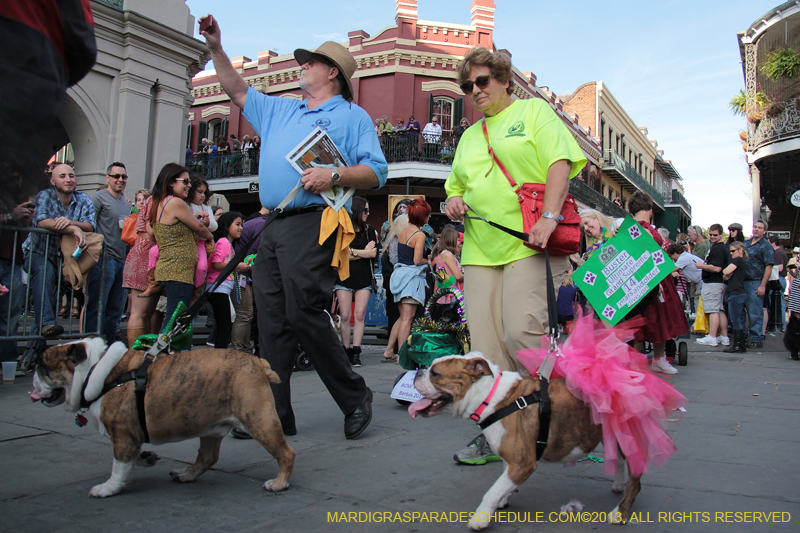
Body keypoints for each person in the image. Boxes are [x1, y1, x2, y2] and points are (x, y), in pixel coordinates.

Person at [200, 15, 387, 439]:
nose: (300, 66)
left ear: (332, 71)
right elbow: (235, 88)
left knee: (302, 310)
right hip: (274, 223)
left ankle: (355, 395)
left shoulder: (353, 116)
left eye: (309, 62)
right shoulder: (282, 108)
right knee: (270, 318)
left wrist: (333, 176)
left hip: (314, 220)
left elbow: (377, 172)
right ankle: (275, 413)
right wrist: (215, 47)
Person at [444, 47, 586, 465]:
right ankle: (496, 433)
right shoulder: (470, 136)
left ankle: (565, 417)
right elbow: (455, 186)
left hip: (528, 243)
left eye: (483, 81)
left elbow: (560, 163)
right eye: (468, 86)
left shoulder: (535, 113)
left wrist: (549, 216)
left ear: (506, 80)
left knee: (523, 335)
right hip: (480, 249)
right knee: (486, 353)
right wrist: (453, 202)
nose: (475, 91)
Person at [23, 163, 95, 337]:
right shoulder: (45, 196)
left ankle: (33, 354)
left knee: (47, 301)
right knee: (43, 272)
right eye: (62, 176)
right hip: (38, 252)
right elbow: (41, 221)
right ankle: (48, 322)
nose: (68, 180)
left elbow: (90, 225)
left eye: (71, 175)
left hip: (66, 259)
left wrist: (69, 223)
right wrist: (73, 229)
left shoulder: (83, 198)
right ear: (52, 181)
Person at [626, 191, 688, 373]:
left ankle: (639, 362)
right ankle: (655, 360)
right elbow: (642, 255)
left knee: (643, 320)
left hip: (653, 276)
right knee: (656, 318)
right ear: (649, 208)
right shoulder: (641, 227)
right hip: (653, 277)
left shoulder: (631, 227)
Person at [148, 163, 213, 332]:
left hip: (171, 268)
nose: (189, 185)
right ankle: (161, 354)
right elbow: (198, 228)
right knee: (175, 318)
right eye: (185, 181)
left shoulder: (160, 202)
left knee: (175, 317)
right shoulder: (175, 202)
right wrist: (210, 236)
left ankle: (168, 353)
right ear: (171, 182)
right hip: (178, 270)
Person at [84, 163, 131, 345]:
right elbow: (88, 225)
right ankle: (89, 348)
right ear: (107, 178)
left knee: (115, 310)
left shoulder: (125, 204)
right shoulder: (97, 198)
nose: (120, 180)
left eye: (124, 177)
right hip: (103, 259)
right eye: (116, 176)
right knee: (97, 307)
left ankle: (109, 348)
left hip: (121, 259)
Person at [384, 199, 430, 362]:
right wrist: (429, 260)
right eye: (428, 215)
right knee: (407, 318)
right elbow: (417, 260)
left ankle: (390, 350)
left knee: (402, 317)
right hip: (410, 278)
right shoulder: (419, 235)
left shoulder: (403, 231)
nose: (429, 218)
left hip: (399, 276)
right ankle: (402, 355)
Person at [334, 197, 378, 367]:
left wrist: (353, 253)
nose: (368, 214)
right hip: (344, 276)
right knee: (344, 315)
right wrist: (363, 252)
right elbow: (340, 255)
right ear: (357, 211)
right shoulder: (343, 229)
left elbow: (373, 254)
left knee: (359, 314)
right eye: (365, 210)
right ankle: (345, 349)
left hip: (364, 277)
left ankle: (357, 351)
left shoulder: (370, 230)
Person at [206, 211, 250, 349]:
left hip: (223, 288)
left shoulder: (228, 244)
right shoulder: (223, 242)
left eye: (242, 225)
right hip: (218, 287)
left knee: (225, 323)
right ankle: (221, 356)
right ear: (226, 225)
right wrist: (237, 266)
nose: (241, 228)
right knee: (224, 326)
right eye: (237, 224)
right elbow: (216, 264)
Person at [121, 189, 158, 344]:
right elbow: (152, 228)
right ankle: (134, 355)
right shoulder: (155, 201)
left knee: (146, 313)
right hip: (144, 253)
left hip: (148, 253)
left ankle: (143, 354)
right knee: (138, 312)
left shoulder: (155, 201)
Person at [232, 206, 269, 355]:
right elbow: (251, 256)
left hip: (244, 274)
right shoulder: (261, 226)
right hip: (242, 274)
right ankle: (239, 350)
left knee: (247, 314)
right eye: (237, 224)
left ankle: (245, 349)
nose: (240, 228)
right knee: (245, 314)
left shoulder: (259, 225)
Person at [694, 224, 730, 347]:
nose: (713, 237)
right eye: (711, 234)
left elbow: (717, 268)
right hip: (718, 283)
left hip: (713, 282)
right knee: (719, 310)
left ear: (721, 235)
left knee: (712, 310)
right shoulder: (720, 247)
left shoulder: (718, 249)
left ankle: (712, 336)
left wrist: (701, 266)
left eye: (715, 235)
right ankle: (724, 336)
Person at [380, 213, 409, 355]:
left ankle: (391, 349)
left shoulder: (394, 240)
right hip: (401, 281)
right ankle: (398, 350)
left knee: (401, 316)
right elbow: (395, 260)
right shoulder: (397, 240)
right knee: (404, 317)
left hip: (396, 281)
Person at [743, 220, 774, 349]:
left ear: (764, 231)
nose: (756, 229)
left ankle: (756, 338)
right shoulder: (746, 244)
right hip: (742, 281)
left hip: (755, 281)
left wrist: (763, 285)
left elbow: (769, 266)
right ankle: (743, 336)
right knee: (741, 311)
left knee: (755, 312)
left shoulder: (766, 246)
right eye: (755, 227)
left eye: (760, 228)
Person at [722, 242, 748, 353]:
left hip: (736, 293)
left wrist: (727, 273)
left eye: (733, 251)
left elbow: (725, 272)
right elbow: (725, 276)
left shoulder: (738, 260)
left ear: (740, 250)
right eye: (730, 251)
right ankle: (741, 344)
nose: (731, 253)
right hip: (738, 293)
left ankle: (737, 345)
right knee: (739, 319)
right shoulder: (740, 262)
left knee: (736, 319)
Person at [431, 226, 464, 304]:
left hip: (450, 293)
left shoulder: (447, 254)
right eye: (457, 240)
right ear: (451, 241)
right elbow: (458, 276)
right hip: (450, 295)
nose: (459, 243)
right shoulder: (447, 254)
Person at [768, 235, 788, 332]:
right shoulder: (781, 252)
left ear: (773, 243)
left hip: (777, 278)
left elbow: (780, 267)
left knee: (777, 303)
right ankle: (781, 325)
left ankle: (779, 325)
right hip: (781, 278)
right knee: (780, 302)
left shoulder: (777, 253)